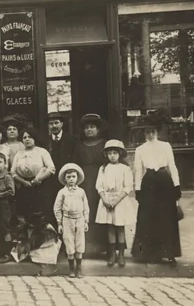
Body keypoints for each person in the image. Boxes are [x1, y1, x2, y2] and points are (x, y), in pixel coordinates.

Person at [132, 116, 181, 266]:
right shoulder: (140, 149)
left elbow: (172, 166)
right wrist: (138, 189)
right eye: (147, 132)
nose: (150, 134)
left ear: (157, 132)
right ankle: (150, 254)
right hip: (148, 184)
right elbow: (138, 170)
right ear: (144, 133)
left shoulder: (166, 146)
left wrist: (176, 185)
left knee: (167, 217)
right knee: (148, 218)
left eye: (153, 131)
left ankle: (169, 253)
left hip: (164, 182)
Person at [95, 140, 135, 268]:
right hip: (106, 200)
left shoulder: (125, 168)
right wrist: (105, 200)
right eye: (110, 153)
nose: (112, 155)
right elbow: (99, 186)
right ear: (106, 154)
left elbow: (128, 187)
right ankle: (112, 254)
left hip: (120, 201)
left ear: (120, 154)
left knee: (120, 228)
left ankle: (121, 255)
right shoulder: (103, 169)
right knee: (110, 228)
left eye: (115, 153)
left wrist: (116, 200)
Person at [76, 113, 109, 257]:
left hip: (102, 181)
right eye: (87, 127)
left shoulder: (105, 144)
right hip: (84, 182)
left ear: (98, 129)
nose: (89, 130)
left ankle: (105, 246)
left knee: (102, 211)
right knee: (86, 211)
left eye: (92, 127)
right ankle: (88, 248)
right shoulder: (79, 146)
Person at [11, 128, 55, 226]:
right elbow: (13, 172)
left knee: (40, 213)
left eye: (30, 137)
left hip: (40, 185)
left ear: (35, 138)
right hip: (24, 186)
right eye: (24, 137)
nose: (27, 139)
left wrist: (38, 179)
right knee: (26, 213)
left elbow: (51, 168)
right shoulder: (19, 154)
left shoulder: (41, 151)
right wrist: (23, 182)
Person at [44, 112, 80, 227]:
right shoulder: (45, 141)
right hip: (50, 181)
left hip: (67, 179)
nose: (54, 126)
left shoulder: (72, 139)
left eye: (56, 123)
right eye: (51, 123)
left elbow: (74, 159)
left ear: (62, 124)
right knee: (53, 207)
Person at [54, 163, 89, 278]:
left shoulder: (81, 192)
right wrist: (59, 223)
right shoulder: (62, 192)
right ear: (65, 179)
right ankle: (71, 269)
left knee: (80, 243)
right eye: (68, 177)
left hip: (79, 219)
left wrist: (86, 221)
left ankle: (79, 268)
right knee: (69, 242)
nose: (71, 179)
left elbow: (86, 207)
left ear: (77, 178)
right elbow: (57, 208)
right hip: (67, 220)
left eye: (73, 177)